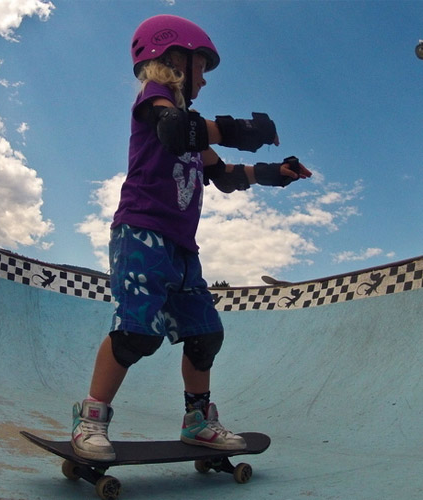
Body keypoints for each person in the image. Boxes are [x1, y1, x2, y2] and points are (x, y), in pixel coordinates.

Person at [71, 14, 312, 461]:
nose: (204, 78)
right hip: (141, 232)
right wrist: (242, 129)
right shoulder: (155, 99)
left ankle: (198, 423)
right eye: (201, 65)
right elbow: (177, 131)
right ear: (175, 59)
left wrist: (273, 175)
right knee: (136, 334)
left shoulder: (189, 122)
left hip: (182, 246)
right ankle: (90, 420)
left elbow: (222, 174)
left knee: (204, 334)